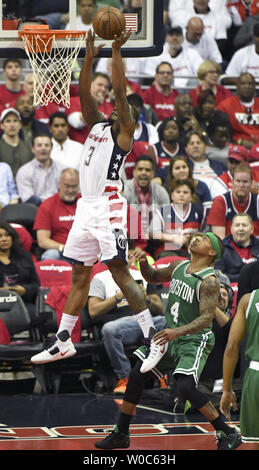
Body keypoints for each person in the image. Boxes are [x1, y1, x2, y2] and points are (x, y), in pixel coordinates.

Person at [30, 30, 168, 371]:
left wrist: (116, 53)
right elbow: (85, 96)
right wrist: (89, 57)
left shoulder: (123, 133)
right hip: (85, 206)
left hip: (108, 206)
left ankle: (153, 339)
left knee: (121, 272)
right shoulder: (95, 127)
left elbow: (120, 93)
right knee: (80, 275)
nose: (118, 109)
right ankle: (63, 341)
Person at [95, 232, 242, 450]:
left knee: (185, 386)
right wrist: (143, 263)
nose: (195, 238)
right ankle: (121, 433)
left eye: (203, 238)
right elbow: (152, 276)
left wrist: (176, 332)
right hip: (171, 334)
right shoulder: (178, 266)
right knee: (137, 374)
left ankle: (226, 431)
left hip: (193, 339)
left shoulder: (209, 281)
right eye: (196, 236)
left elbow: (205, 319)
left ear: (212, 252)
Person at [88, 263, 166, 394]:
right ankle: (125, 378)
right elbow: (93, 311)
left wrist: (145, 298)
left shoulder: (142, 276)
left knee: (167, 321)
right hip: (121, 325)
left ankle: (164, 374)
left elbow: (160, 309)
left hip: (147, 321)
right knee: (109, 329)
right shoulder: (100, 278)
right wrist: (118, 296)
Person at [220, 289, 259, 447]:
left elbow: (232, 347)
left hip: (256, 377)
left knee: (253, 443)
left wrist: (226, 389)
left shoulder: (248, 300)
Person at [149, 178, 207, 259]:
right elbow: (152, 233)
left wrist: (192, 239)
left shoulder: (200, 212)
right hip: (166, 250)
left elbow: (205, 234)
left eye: (185, 192)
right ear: (172, 195)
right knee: (176, 263)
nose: (181, 195)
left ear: (191, 196)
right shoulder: (162, 211)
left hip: (191, 251)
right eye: (178, 192)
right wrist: (175, 238)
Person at [33, 168, 81, 260]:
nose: (70, 190)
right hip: (59, 250)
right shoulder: (47, 205)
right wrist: (63, 248)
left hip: (83, 250)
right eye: (67, 186)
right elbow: (42, 241)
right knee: (50, 255)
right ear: (59, 184)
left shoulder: (85, 202)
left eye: (74, 186)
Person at [0, 221, 40, 324]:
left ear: (12, 238)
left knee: (44, 314)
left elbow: (36, 285)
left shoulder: (25, 257)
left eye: (7, 235)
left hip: (22, 302)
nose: (4, 239)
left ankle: (41, 339)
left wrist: (25, 290)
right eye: (0, 236)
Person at [207, 162, 259, 238]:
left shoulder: (257, 201)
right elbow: (219, 241)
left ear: (251, 184)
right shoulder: (221, 202)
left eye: (245, 182)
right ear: (232, 183)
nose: (241, 185)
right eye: (238, 181)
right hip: (229, 248)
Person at [123, 155, 170, 238]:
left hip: (154, 238)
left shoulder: (161, 192)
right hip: (129, 237)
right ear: (134, 172)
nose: (143, 173)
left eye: (147, 170)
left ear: (153, 173)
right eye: (140, 169)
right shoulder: (124, 190)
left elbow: (166, 219)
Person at [16, 134, 65, 206]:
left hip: (59, 208)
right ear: (33, 149)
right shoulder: (24, 171)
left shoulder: (62, 169)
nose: (43, 148)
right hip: (35, 211)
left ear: (51, 148)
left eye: (46, 145)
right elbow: (28, 199)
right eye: (39, 145)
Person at [217, 73, 259, 149]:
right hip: (236, 146)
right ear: (237, 86)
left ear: (255, 87)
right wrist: (239, 141)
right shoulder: (225, 106)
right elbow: (220, 133)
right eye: (243, 83)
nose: (247, 86)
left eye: (250, 84)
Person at [215, 213, 259, 283]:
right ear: (231, 229)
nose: (240, 228)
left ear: (252, 229)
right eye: (237, 225)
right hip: (231, 289)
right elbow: (218, 275)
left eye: (244, 225)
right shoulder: (221, 248)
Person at [0, 108, 33, 177]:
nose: (12, 125)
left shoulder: (27, 147)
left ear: (20, 125)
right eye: (8, 121)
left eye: (15, 121)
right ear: (2, 125)